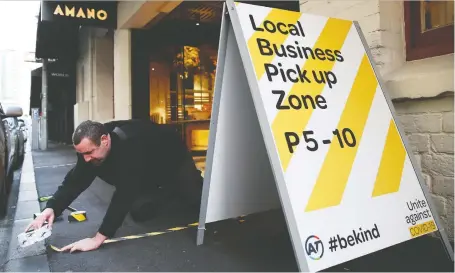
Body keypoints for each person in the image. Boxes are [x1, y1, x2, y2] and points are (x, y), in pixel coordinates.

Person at [25, 119, 204, 253]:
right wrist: (51, 208)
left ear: (104, 140)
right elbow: (75, 181)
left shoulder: (131, 145)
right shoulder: (88, 149)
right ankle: (165, 191)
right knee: (140, 211)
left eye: (89, 153)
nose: (86, 159)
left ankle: (179, 188)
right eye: (82, 154)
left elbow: (124, 195)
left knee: (195, 198)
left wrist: (98, 238)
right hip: (144, 171)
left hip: (172, 156)